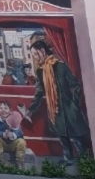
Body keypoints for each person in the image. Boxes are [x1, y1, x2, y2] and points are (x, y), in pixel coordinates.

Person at [21, 32, 92, 163]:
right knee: (62, 136)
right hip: (55, 110)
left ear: (42, 51)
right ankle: (68, 158)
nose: (35, 57)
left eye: (36, 54)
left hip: (69, 108)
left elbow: (76, 85)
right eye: (33, 55)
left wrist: (74, 104)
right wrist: (31, 110)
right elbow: (39, 92)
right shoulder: (40, 71)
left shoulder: (61, 66)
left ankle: (86, 162)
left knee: (77, 136)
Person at [0, 100, 27, 168]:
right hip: (2, 144)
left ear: (10, 110)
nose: (3, 110)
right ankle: (1, 160)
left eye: (6, 108)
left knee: (22, 142)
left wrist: (12, 135)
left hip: (13, 144)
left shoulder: (14, 120)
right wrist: (3, 134)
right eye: (1, 108)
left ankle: (19, 162)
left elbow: (20, 132)